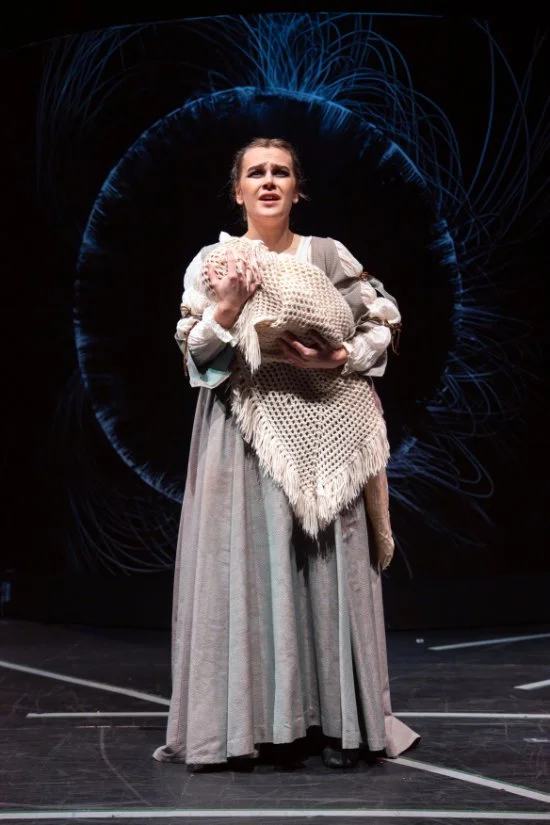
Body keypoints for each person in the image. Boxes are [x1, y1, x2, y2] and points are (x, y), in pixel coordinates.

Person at [153, 137, 419, 771]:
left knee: (328, 568)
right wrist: (228, 306)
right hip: (244, 437)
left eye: (281, 172)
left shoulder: (326, 255)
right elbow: (196, 358)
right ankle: (248, 727)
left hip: (329, 427)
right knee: (247, 567)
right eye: (255, 173)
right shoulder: (215, 262)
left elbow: (383, 319)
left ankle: (339, 725)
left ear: (298, 190)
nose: (268, 181)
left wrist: (339, 356)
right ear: (238, 190)